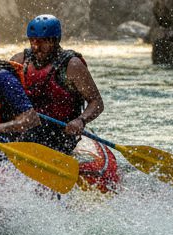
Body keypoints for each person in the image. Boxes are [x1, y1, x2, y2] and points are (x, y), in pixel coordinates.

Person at [13, 13, 104, 154]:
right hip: (26, 129)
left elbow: (96, 102)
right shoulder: (20, 60)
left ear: (55, 41)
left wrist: (81, 120)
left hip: (60, 133)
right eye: (33, 41)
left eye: (42, 42)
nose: (36, 47)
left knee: (37, 134)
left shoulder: (72, 65)